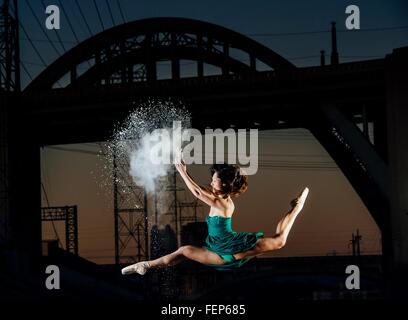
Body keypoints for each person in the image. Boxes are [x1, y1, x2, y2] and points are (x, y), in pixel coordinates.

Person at [121, 158, 309, 275]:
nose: (211, 182)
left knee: (280, 241)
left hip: (225, 252)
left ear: (226, 185)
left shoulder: (223, 203)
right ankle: (144, 265)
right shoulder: (217, 195)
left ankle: (297, 208)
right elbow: (200, 188)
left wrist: (182, 171)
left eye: (214, 180)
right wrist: (186, 172)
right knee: (183, 251)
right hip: (218, 247)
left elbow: (196, 192)